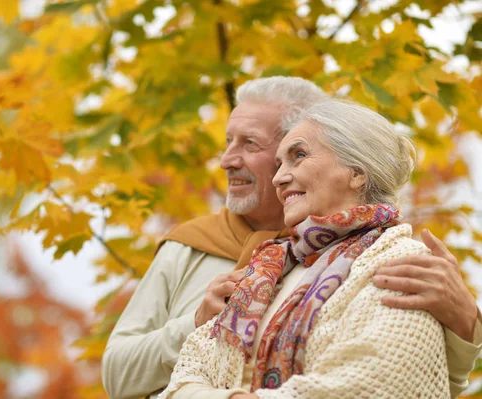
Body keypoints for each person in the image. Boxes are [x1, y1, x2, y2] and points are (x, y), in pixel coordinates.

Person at [101, 77, 481, 399]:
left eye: (251, 144)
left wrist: (467, 326)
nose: (227, 159)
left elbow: (401, 378)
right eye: (228, 141)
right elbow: (161, 377)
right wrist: (196, 322)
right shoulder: (221, 253)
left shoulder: (391, 256)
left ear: (354, 167)